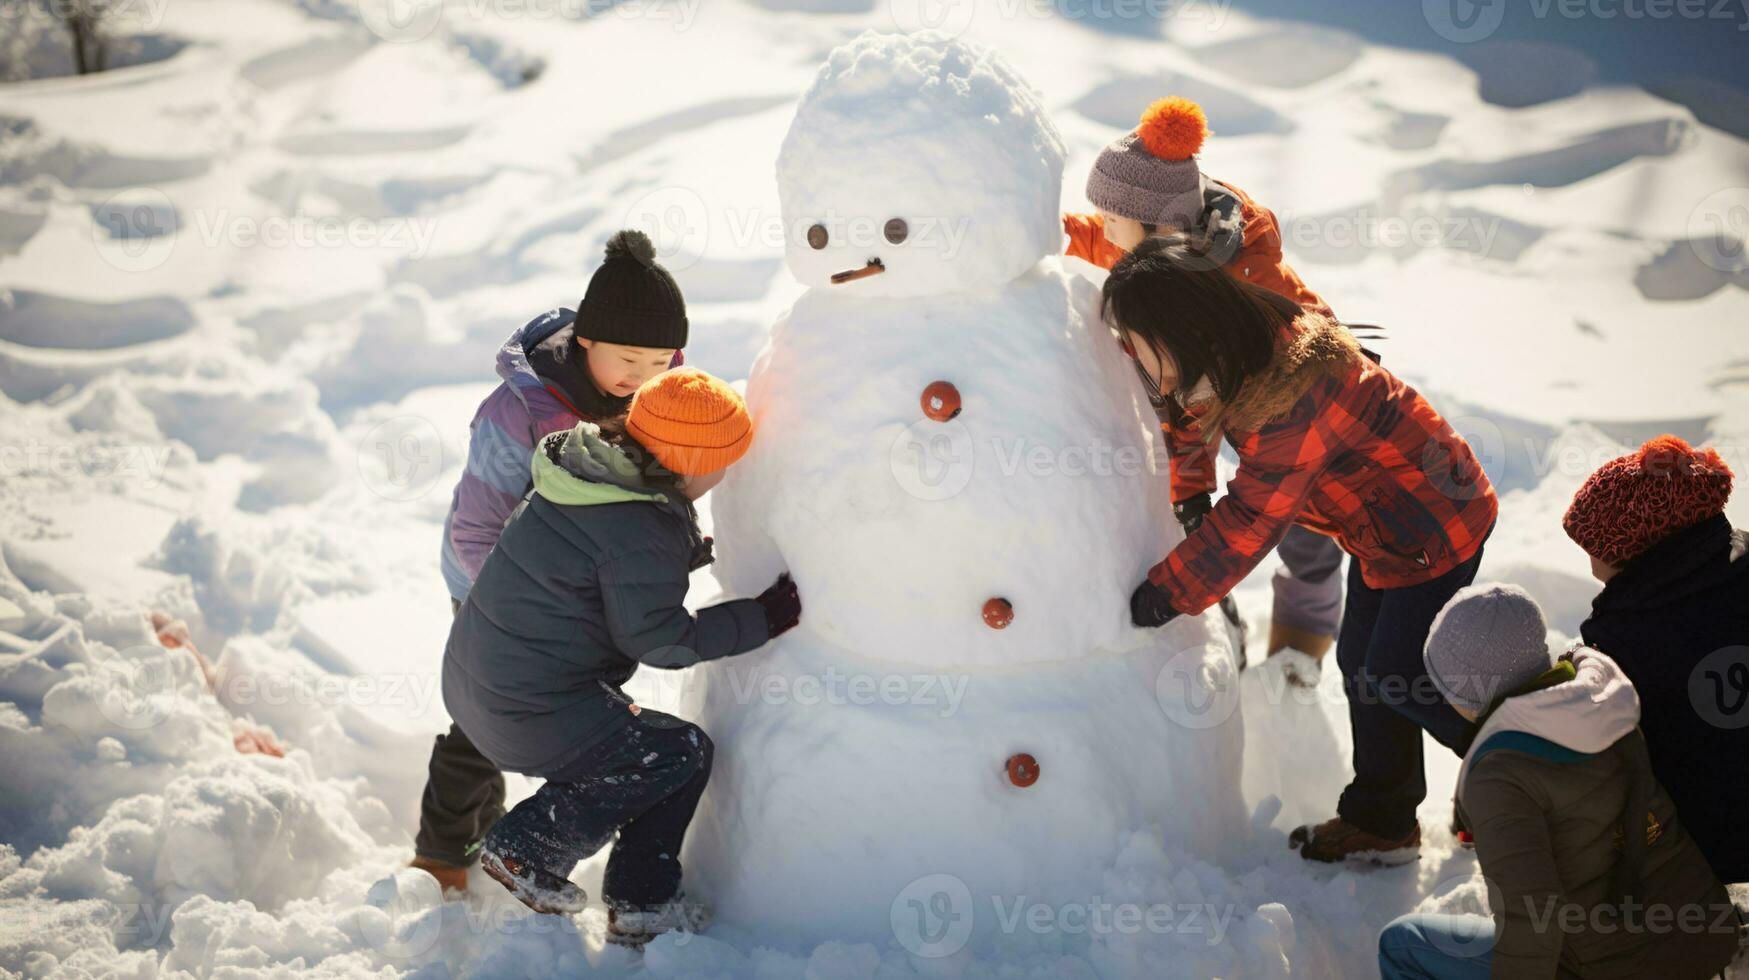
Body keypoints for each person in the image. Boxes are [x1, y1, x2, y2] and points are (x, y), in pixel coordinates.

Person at [1105, 235, 1497, 864]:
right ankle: (1386, 819)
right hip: (1385, 534)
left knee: (1399, 674)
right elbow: (1182, 419)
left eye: (1140, 345)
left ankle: (1525, 766)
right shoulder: (1226, 355)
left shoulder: (1291, 398)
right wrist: (1190, 495)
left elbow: (1254, 519)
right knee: (1365, 667)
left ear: (1184, 330)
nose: (1135, 360)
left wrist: (1166, 594)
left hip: (1434, 527)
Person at [443, 368, 800, 946]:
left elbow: (592, 567)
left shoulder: (585, 472)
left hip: (479, 685)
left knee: (661, 753)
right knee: (673, 754)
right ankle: (529, 849)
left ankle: (639, 905)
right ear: (690, 461)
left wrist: (671, 560)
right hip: (528, 708)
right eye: (725, 460)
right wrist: (760, 617)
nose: (728, 473)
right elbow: (660, 640)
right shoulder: (638, 524)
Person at [412, 229, 688, 892]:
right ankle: (442, 855)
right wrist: (523, 612)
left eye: (660, 363)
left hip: (580, 594)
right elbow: (475, 532)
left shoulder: (650, 396)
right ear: (586, 340)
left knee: (582, 714)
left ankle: (543, 835)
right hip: (493, 588)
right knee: (486, 719)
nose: (642, 379)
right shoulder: (519, 413)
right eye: (628, 359)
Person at [1064, 95, 1345, 681]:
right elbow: (1099, 237)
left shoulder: (1241, 278)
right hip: (1224, 404)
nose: (1105, 235)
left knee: (1309, 536)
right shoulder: (1157, 240)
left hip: (1303, 413)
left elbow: (1253, 377)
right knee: (1210, 518)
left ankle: (1298, 663)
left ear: (1160, 225)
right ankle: (1226, 615)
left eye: (1114, 221)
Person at [1377, 583, 1739, 979]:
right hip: (1705, 938)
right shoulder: (1602, 700)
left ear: (1467, 694)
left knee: (1402, 944)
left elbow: (1533, 920)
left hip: (1612, 966)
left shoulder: (1500, 773)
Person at [1566, 434, 1749, 884]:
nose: (1590, 563)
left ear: (1639, 550)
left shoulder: (1624, 636)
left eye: (1596, 548)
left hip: (1707, 847)